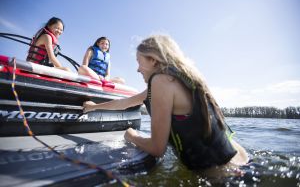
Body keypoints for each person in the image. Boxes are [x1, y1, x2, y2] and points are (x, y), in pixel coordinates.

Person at [83, 35, 249, 171]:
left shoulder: (160, 82)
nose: (138, 69)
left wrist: (131, 135)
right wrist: (94, 107)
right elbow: (124, 103)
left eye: (138, 61)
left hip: (228, 174)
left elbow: (157, 148)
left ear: (153, 60)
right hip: (242, 162)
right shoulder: (179, 79)